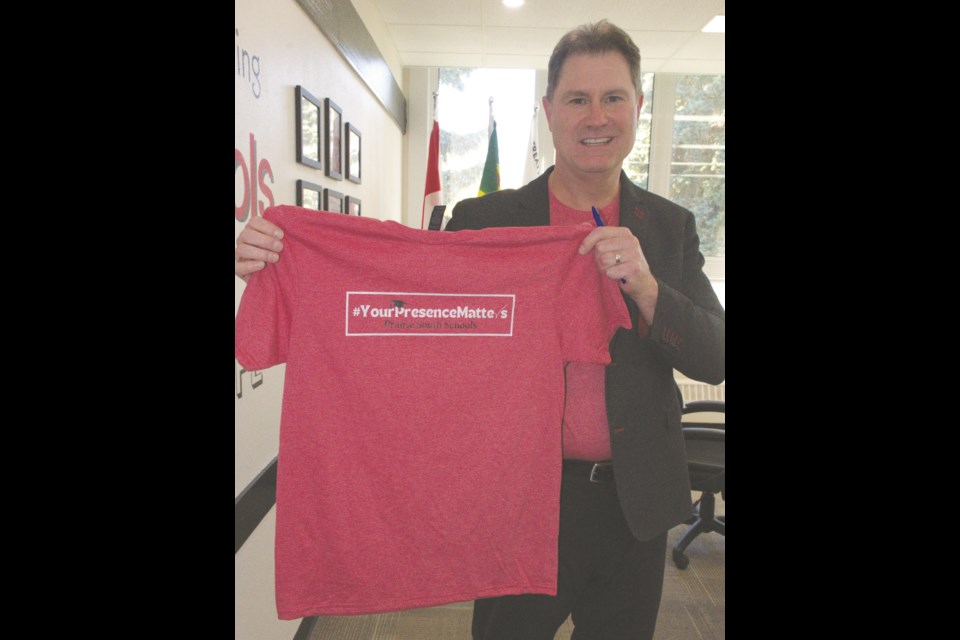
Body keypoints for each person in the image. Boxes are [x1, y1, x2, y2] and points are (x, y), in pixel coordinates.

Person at [235, 19, 724, 640]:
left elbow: (715, 354)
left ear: (638, 105)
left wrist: (650, 291)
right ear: (549, 110)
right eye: (577, 99)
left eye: (613, 98)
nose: (595, 116)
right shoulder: (484, 219)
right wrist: (283, 259)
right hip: (513, 499)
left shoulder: (670, 227)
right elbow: (410, 322)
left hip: (637, 504)